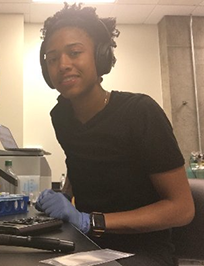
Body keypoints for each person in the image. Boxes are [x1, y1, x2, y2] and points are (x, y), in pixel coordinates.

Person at [36, 3, 195, 266]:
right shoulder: (61, 115)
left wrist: (90, 221)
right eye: (52, 59)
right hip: (86, 245)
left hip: (143, 252)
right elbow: (79, 160)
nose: (63, 64)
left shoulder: (140, 112)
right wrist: (63, 196)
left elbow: (182, 208)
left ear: (100, 57)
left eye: (74, 52)